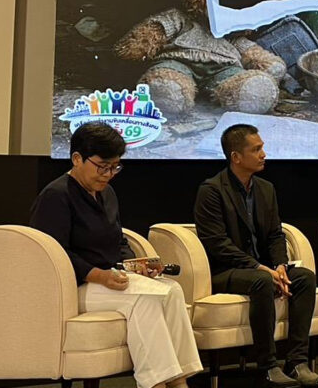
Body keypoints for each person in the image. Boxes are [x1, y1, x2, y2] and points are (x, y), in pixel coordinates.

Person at [31, 123, 202, 388]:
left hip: (108, 280)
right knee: (144, 299)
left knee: (171, 290)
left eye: (114, 167)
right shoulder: (56, 195)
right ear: (77, 159)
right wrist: (97, 275)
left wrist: (136, 265)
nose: (109, 175)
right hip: (74, 286)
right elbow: (52, 254)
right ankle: (156, 383)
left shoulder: (107, 194)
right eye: (102, 166)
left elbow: (118, 240)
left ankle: (179, 380)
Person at [194, 125, 318, 387]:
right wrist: (259, 267)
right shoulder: (211, 190)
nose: (263, 154)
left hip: (263, 269)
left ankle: (297, 362)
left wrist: (280, 265)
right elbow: (217, 244)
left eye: (262, 148)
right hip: (226, 271)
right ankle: (267, 366)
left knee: (304, 278)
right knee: (262, 281)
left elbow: (276, 234)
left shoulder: (265, 189)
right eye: (256, 150)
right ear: (236, 157)